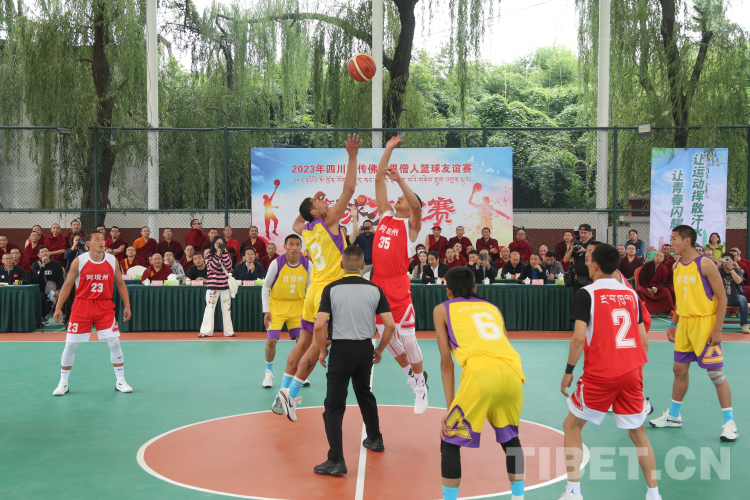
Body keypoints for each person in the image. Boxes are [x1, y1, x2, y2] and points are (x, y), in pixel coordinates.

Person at [559, 243, 658, 500]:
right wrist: (634, 371)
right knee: (638, 432)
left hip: (601, 374)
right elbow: (644, 341)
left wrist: (569, 371)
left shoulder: (587, 293)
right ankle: (654, 494)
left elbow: (578, 338)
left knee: (572, 425)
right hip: (632, 373)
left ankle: (573, 492)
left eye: (588, 258)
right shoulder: (631, 295)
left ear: (594, 265)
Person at [276, 133, 360, 421]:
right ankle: (291, 394)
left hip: (314, 291)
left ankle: (282, 391)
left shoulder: (306, 229)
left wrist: (313, 201)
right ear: (316, 211)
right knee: (316, 346)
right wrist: (352, 157)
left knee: (302, 343)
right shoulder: (329, 221)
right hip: (330, 293)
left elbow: (296, 220)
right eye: (319, 202)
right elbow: (349, 189)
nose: (325, 202)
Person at [434, 266, 526, 500]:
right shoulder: (493, 308)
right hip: (513, 372)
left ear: (448, 290)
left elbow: (446, 363)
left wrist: (450, 409)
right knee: (511, 440)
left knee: (450, 441)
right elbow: (504, 340)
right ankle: (519, 497)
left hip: (481, 374)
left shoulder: (442, 309)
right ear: (475, 287)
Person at [649, 225, 738, 442]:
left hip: (705, 324)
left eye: (674, 239)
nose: (671, 243)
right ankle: (674, 416)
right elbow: (681, 298)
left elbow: (722, 297)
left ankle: (730, 423)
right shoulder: (677, 266)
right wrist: (674, 322)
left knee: (716, 374)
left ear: (687, 240)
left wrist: (718, 329)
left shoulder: (705, 264)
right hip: (685, 325)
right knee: (679, 370)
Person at [313, 245, 395, 476]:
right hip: (364, 349)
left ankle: (336, 460)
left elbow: (319, 326)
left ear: (341, 265)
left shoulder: (331, 289)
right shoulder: (375, 290)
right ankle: (375, 438)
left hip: (341, 350)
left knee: (333, 406)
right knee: (364, 393)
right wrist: (379, 349)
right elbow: (390, 325)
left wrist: (322, 350)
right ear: (363, 266)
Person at [371, 135, 429, 413]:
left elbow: (416, 206)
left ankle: (421, 385)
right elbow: (378, 180)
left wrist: (401, 180)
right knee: (387, 338)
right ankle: (412, 376)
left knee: (407, 339)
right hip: (377, 286)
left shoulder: (411, 226)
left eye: (403, 198)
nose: (398, 199)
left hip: (397, 286)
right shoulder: (385, 215)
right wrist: (388, 150)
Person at [51, 231, 133, 396]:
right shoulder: (79, 261)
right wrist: (58, 307)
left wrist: (127, 305)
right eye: (97, 239)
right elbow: (68, 285)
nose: (102, 242)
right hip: (82, 306)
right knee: (71, 344)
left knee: (114, 342)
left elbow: (120, 283)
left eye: (103, 239)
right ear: (88, 244)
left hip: (104, 306)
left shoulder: (112, 260)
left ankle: (121, 380)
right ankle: (63, 383)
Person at [261, 235, 312, 390]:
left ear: (301, 247)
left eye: (297, 245)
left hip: (298, 306)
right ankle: (268, 372)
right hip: (277, 305)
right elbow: (266, 286)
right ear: (285, 246)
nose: (294, 248)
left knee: (301, 342)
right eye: (291, 244)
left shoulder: (307, 264)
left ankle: (300, 373)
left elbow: (310, 289)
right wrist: (266, 310)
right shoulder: (277, 263)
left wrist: (309, 310)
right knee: (271, 341)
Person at [197, 235, 235, 337]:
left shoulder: (227, 255)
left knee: (227, 310)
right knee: (210, 308)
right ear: (213, 244)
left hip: (225, 286)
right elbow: (211, 267)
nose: (219, 245)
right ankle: (206, 331)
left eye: (221, 243)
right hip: (212, 286)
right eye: (217, 243)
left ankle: (229, 331)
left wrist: (224, 253)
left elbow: (228, 267)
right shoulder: (209, 255)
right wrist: (217, 254)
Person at [31, 246, 65, 325]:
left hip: (54, 290)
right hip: (42, 290)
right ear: (39, 255)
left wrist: (58, 290)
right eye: (42, 252)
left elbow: (60, 278)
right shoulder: (35, 265)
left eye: (46, 251)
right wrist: (43, 266)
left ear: (49, 253)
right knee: (40, 296)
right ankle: (44, 317)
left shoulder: (56, 264)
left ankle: (65, 317)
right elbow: (38, 278)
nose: (44, 253)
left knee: (64, 295)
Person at [718, 252, 749, 334]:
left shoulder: (737, 270)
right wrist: (717, 266)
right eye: (724, 260)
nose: (726, 263)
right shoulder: (719, 270)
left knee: (742, 298)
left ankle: (744, 324)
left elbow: (738, 281)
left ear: (732, 261)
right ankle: (713, 325)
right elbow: (711, 280)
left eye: (728, 260)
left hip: (735, 297)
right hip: (722, 297)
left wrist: (731, 269)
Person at [564, 224, 593, 295]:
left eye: (585, 233)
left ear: (590, 233)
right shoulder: (576, 244)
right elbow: (565, 260)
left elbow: (598, 257)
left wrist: (585, 251)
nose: (582, 235)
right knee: (577, 298)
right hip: (577, 278)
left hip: (589, 276)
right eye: (581, 232)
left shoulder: (593, 244)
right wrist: (571, 250)